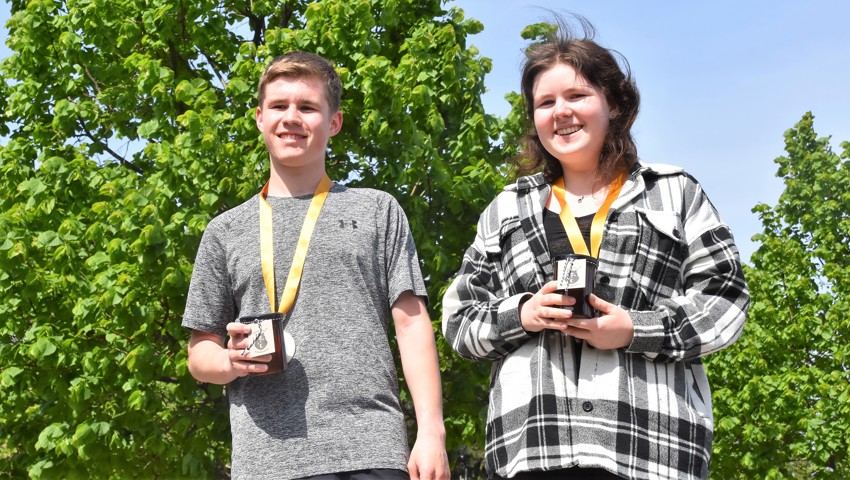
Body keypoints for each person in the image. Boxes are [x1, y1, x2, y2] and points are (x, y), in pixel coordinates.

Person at [442, 15, 748, 480]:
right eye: (545, 102)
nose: (560, 111)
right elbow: (459, 319)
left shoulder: (674, 192)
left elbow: (725, 302)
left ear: (615, 105)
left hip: (651, 448)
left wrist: (634, 330)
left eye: (577, 95)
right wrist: (522, 314)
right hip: (534, 449)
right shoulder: (507, 208)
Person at [183, 51, 449, 480]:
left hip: (370, 448)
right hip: (265, 460)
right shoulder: (224, 230)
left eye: (307, 107)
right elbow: (200, 353)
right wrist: (230, 362)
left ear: (334, 122)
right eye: (279, 106)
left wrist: (431, 432)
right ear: (258, 118)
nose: (292, 117)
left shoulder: (377, 209)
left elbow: (412, 324)